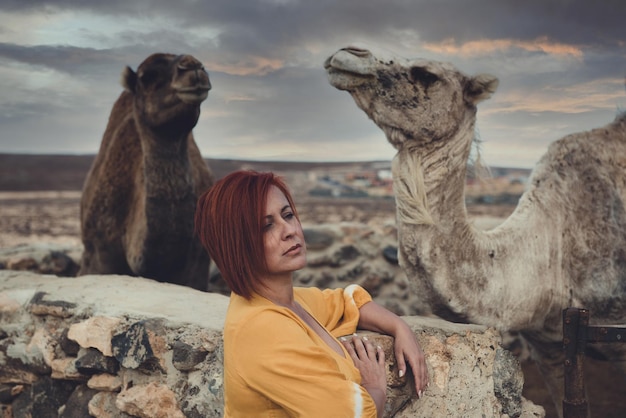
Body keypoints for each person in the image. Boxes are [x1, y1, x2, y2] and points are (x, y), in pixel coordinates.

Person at [195, 170, 428, 418]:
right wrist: (374, 386)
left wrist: (400, 327)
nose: (289, 230)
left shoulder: (289, 303)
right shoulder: (262, 328)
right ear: (237, 245)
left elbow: (345, 301)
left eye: (288, 215)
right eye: (266, 226)